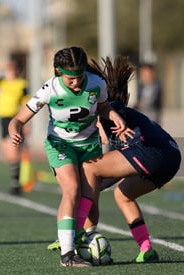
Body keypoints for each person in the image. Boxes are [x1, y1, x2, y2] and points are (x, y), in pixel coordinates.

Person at [8, 46, 126, 267]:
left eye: (79, 76)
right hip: (60, 144)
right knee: (72, 188)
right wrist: (14, 130)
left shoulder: (96, 84)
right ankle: (68, 253)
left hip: (89, 145)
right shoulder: (49, 89)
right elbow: (18, 119)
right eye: (71, 78)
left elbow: (102, 108)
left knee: (90, 198)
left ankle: (86, 239)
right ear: (58, 71)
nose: (76, 82)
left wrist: (113, 115)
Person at [79, 56, 181, 263]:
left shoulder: (112, 107)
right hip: (171, 157)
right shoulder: (114, 111)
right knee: (123, 194)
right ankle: (146, 249)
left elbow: (114, 112)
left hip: (150, 152)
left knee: (88, 168)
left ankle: (84, 235)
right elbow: (104, 179)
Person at [0, 59, 29, 196]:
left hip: (15, 119)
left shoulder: (22, 84)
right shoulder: (2, 82)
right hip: (3, 119)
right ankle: (15, 180)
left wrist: (25, 123)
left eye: (12, 68)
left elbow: (26, 104)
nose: (10, 71)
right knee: (9, 153)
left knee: (14, 151)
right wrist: (2, 65)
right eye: (8, 69)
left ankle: (16, 184)